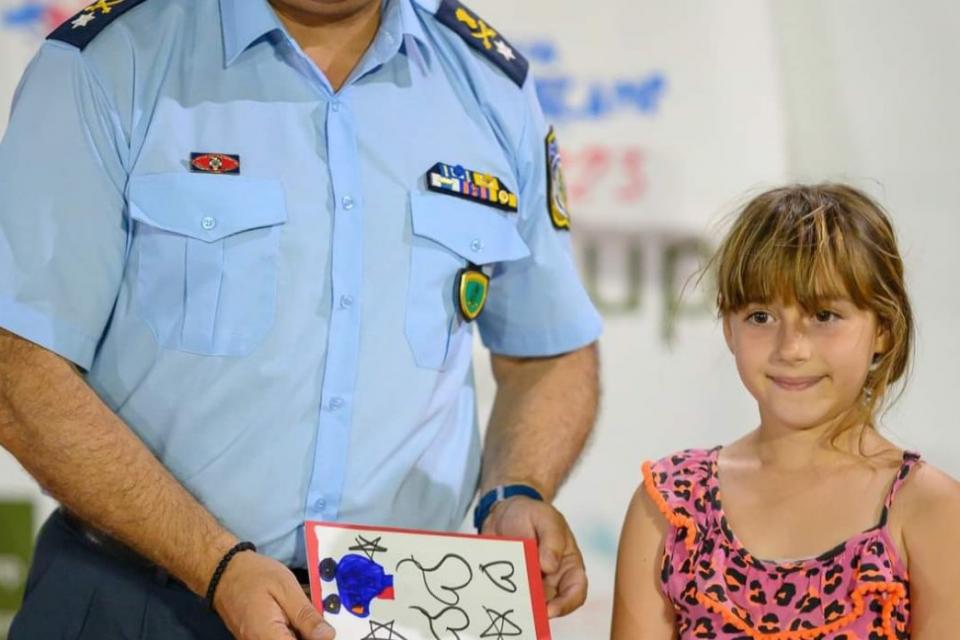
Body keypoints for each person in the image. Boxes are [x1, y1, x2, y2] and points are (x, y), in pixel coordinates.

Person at [0, 0, 603, 638]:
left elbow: (549, 352)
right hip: (138, 600)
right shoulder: (110, 60)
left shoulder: (488, 84)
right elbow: (19, 366)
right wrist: (214, 564)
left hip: (396, 607)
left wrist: (515, 490)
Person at [610, 184, 960, 639]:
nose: (792, 348)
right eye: (761, 316)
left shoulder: (931, 510)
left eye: (824, 315)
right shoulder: (671, 506)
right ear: (729, 328)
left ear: (884, 330)